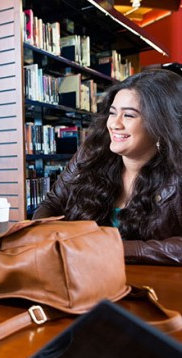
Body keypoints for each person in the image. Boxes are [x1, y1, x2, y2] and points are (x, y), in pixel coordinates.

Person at [33, 68, 182, 265]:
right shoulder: (92, 154)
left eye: (128, 116)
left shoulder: (177, 173)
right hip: (82, 276)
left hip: (150, 286)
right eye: (113, 113)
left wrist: (111, 248)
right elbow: (51, 204)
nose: (114, 124)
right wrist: (46, 235)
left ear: (162, 124)